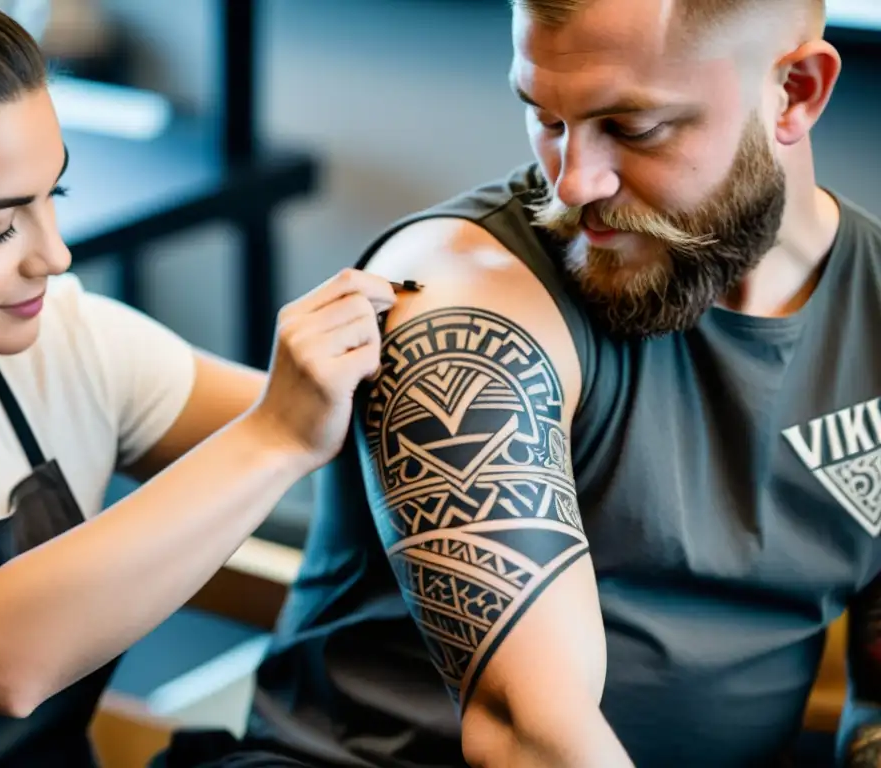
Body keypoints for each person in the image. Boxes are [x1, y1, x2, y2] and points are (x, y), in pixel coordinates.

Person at [159, 0, 881, 766]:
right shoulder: (467, 308)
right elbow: (529, 738)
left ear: (796, 91)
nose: (572, 184)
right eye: (545, 117)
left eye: (633, 129)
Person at [0, 1, 400, 764]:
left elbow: (357, 423)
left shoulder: (68, 344)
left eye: (57, 197)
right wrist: (274, 436)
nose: (55, 254)